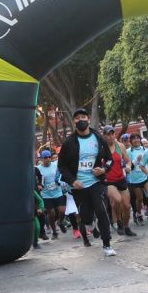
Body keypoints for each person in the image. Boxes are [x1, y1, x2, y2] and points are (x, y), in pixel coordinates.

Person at [58, 108, 116, 257]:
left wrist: (103, 169)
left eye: (83, 117)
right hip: (79, 187)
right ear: (74, 122)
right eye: (77, 118)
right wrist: (73, 181)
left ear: (89, 119)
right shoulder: (69, 143)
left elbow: (110, 159)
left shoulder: (98, 138)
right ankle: (90, 223)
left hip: (96, 183)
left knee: (102, 210)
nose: (81, 120)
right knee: (86, 218)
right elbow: (62, 167)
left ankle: (107, 244)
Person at [101, 128, 136, 236]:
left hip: (121, 178)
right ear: (104, 136)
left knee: (127, 206)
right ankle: (118, 221)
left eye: (112, 134)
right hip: (108, 181)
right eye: (108, 134)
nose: (111, 136)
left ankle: (126, 226)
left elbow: (128, 161)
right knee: (117, 200)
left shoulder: (120, 146)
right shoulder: (101, 148)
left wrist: (128, 166)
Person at [35, 150, 67, 239]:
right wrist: (39, 185)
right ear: (42, 159)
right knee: (51, 214)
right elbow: (36, 177)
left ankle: (60, 222)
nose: (48, 159)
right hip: (46, 195)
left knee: (62, 211)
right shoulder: (38, 168)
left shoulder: (55, 165)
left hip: (58, 192)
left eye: (49, 157)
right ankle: (54, 232)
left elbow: (61, 173)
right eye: (45, 157)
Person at [125, 134, 148, 224]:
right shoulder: (128, 151)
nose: (136, 140)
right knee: (139, 198)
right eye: (134, 139)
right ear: (131, 141)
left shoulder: (145, 149)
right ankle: (138, 213)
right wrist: (136, 160)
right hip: (134, 179)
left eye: (137, 138)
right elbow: (129, 167)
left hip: (145, 176)